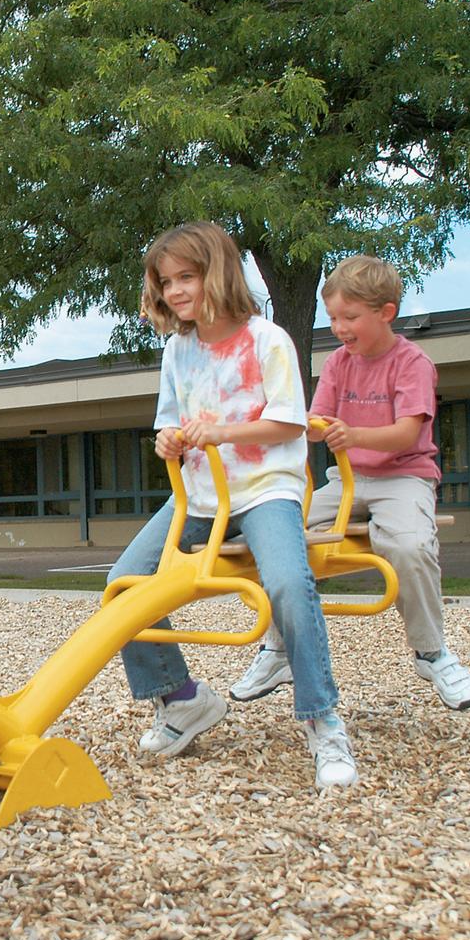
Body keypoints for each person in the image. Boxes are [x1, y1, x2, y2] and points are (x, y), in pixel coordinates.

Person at [104, 221, 358, 789]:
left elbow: (290, 421)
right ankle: (182, 698)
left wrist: (219, 435)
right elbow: (168, 426)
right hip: (198, 497)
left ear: (216, 273)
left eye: (185, 277)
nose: (174, 292)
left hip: (264, 489)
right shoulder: (178, 349)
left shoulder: (267, 339)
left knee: (291, 586)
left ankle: (323, 721)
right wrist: (168, 440)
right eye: (165, 282)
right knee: (123, 587)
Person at [229, 255, 470, 711]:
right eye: (332, 318)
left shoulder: (411, 363)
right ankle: (278, 650)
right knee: (278, 532)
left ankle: (432, 652)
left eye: (350, 317)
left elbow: (407, 433)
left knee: (408, 547)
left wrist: (352, 434)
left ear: (385, 312)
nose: (340, 327)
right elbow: (313, 421)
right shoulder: (339, 363)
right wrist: (280, 419)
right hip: (346, 480)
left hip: (403, 477)